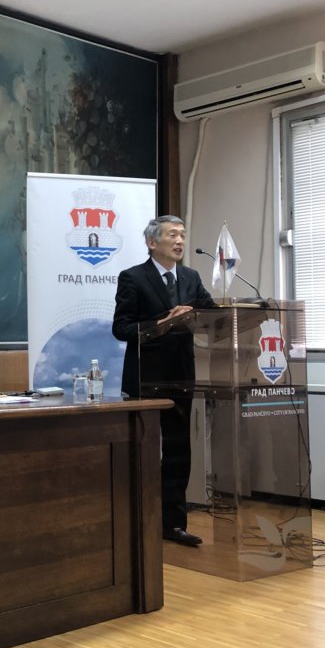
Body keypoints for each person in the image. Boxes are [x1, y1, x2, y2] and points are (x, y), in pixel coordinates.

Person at [112, 215, 214, 547]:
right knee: (142, 449)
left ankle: (173, 524)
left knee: (177, 450)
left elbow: (211, 314)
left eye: (182, 235)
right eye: (172, 235)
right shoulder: (133, 278)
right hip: (146, 377)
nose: (180, 241)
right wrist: (162, 323)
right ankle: (136, 519)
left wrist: (196, 315)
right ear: (152, 242)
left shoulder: (191, 277)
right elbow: (121, 328)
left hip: (181, 375)